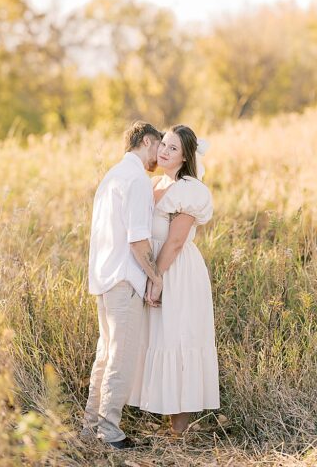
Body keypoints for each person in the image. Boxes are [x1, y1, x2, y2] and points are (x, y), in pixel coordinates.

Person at [128, 124, 220, 434]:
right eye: (164, 145)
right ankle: (166, 422)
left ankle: (180, 433)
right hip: (155, 268)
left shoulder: (190, 189)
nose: (165, 151)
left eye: (173, 149)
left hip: (176, 270)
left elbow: (176, 241)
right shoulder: (154, 183)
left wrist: (158, 278)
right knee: (159, 338)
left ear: (184, 157)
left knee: (179, 339)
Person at [83, 121, 164, 449]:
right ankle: (110, 431)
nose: (161, 153)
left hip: (104, 277)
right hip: (125, 277)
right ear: (147, 141)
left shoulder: (112, 175)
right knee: (121, 355)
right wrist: (156, 277)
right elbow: (137, 239)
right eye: (160, 145)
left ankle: (91, 427)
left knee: (106, 354)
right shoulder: (136, 179)